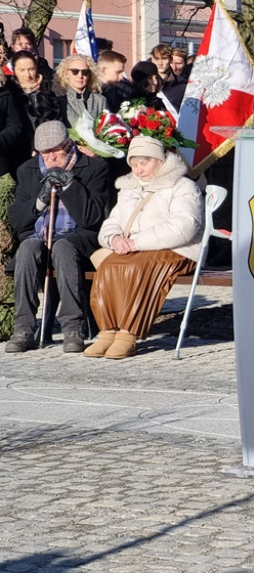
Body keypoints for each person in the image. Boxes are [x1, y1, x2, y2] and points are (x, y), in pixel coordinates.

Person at [85, 136, 201, 359]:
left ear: (159, 160)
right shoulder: (129, 188)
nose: (138, 170)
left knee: (139, 267)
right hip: (134, 248)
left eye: (144, 163)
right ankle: (108, 332)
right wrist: (115, 239)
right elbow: (112, 222)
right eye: (134, 164)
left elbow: (185, 226)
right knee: (109, 265)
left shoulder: (183, 186)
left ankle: (128, 335)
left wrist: (137, 242)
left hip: (178, 249)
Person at [5, 121, 111, 353]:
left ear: (67, 144)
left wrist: (70, 185)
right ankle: (23, 328)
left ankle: (73, 328)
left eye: (55, 151)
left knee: (63, 248)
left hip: (78, 237)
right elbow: (17, 220)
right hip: (40, 235)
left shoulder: (93, 168)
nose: (50, 158)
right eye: (45, 153)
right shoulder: (28, 170)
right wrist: (39, 201)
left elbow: (92, 218)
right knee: (26, 249)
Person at [10, 50, 59, 131]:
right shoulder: (8, 95)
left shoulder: (48, 93)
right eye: (22, 70)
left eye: (31, 69)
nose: (27, 75)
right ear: (14, 70)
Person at [56, 54, 106, 128]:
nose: (80, 76)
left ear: (90, 75)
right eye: (75, 71)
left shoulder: (100, 101)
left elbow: (106, 129)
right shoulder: (59, 101)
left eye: (85, 72)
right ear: (66, 73)